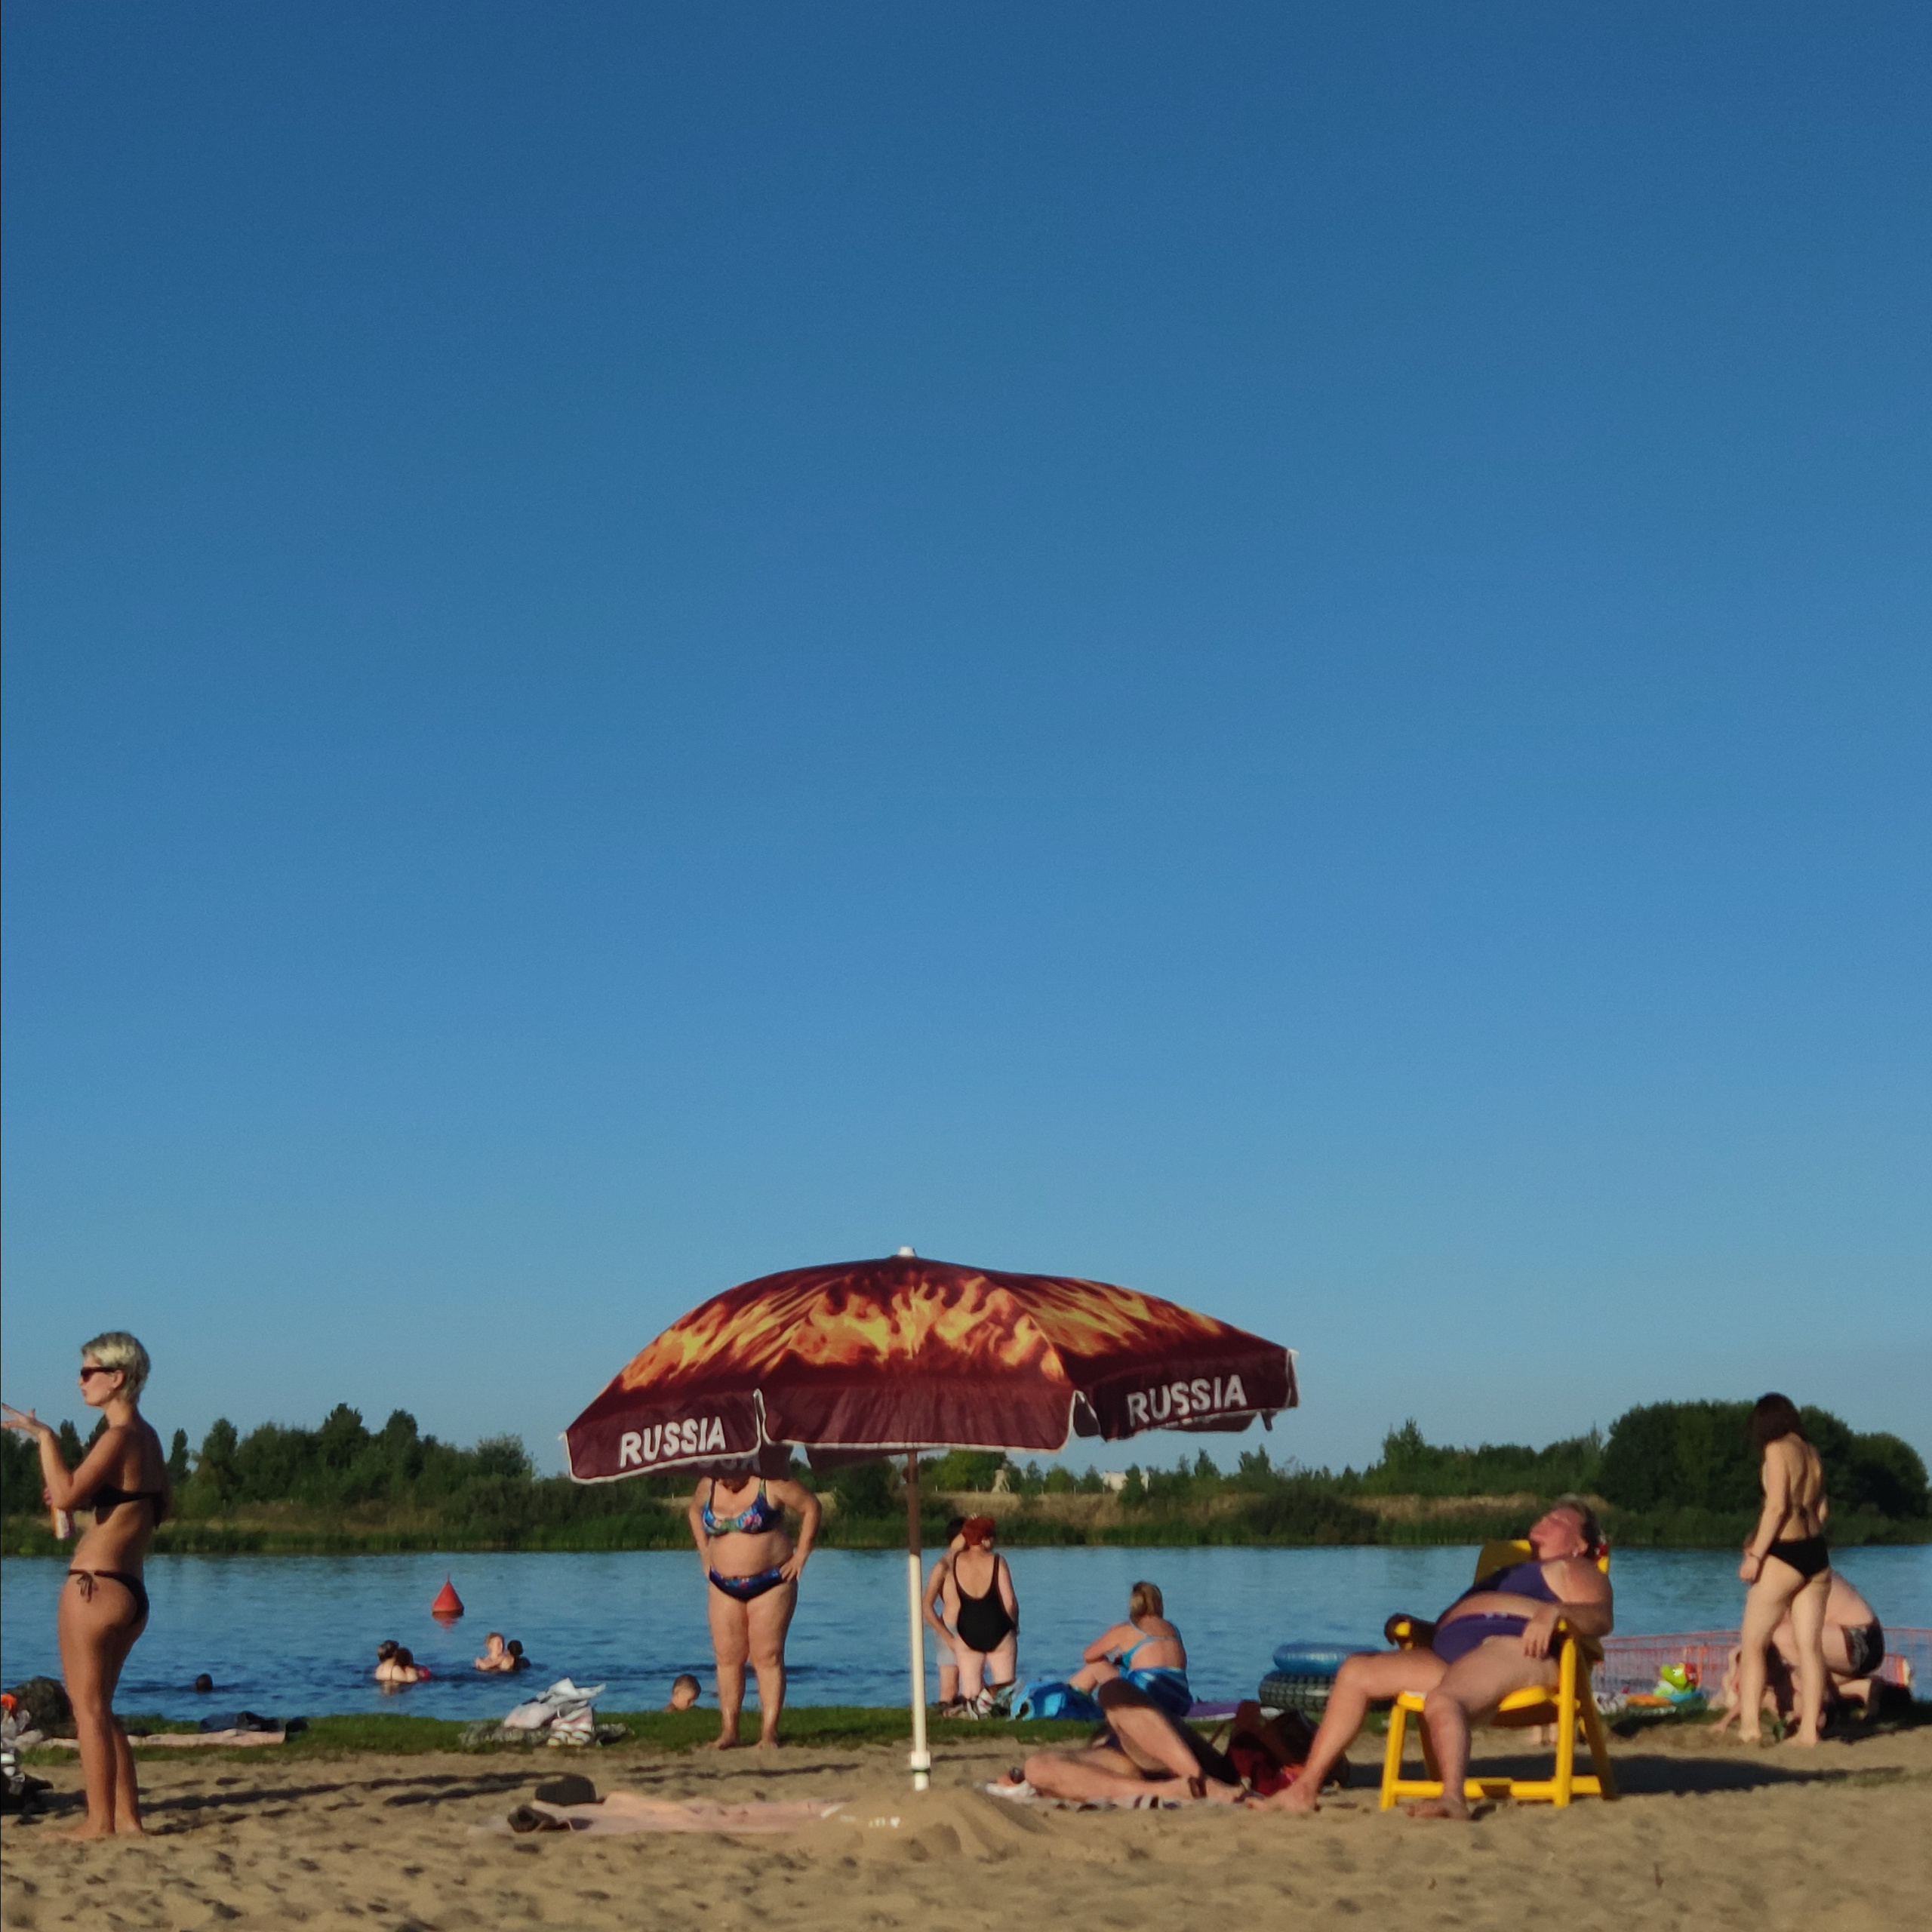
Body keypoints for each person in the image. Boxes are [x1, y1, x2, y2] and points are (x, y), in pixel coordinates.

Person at [1256, 1498, 1613, 1820]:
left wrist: (1554, 1614)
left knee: (1445, 1700)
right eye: (1546, 1514)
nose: (1545, 1519)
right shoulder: (1504, 1575)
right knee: (1356, 1672)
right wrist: (1417, 1627)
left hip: (1514, 1647)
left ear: (1580, 1545)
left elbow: (1601, 1617)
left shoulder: (1574, 1569)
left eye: (1558, 1520)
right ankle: (1304, 1789)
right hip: (1448, 1654)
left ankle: (1453, 1798)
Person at [2, 1331, 170, 1839]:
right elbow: (152, 1507)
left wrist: (45, 1439)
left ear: (116, 1378)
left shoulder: (117, 1437)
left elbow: (69, 1495)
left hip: (93, 1587)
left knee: (88, 1710)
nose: (79, 1381)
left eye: (87, 1371)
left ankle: (99, 1822)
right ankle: (128, 1820)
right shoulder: (150, 1439)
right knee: (104, 1709)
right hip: (131, 1592)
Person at [686, 1463, 820, 1749]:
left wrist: (802, 1554)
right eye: (719, 1474)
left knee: (767, 1656)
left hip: (771, 1580)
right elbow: (694, 1512)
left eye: (728, 1473)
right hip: (723, 1584)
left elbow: (810, 1507)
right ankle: (729, 1730)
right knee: (727, 1657)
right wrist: (704, 1552)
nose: (724, 1480)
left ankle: (769, 1731)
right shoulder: (708, 1485)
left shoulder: (772, 1481)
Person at [1733, 1393, 1832, 1748]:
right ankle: (1809, 1732)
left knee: (1753, 1641)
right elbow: (1821, 1510)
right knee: (1810, 1647)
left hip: (1784, 1553)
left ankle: (1749, 1726)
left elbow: (1775, 1508)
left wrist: (1756, 1556)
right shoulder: (1811, 1452)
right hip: (1816, 1553)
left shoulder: (1776, 1451)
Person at [1001, 1677, 1243, 1803]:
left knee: (1112, 1690)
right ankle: (1184, 1787)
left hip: (1168, 1751)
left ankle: (1200, 1781)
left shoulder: (1104, 1741)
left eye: (1013, 1772)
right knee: (1037, 1767)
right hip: (1147, 1767)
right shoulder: (1049, 1773)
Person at [1718, 1565, 1881, 1730]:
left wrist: (1742, 1669)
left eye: (1750, 1555)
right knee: (1797, 1674)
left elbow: (1765, 1634)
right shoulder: (1795, 1569)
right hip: (1855, 1643)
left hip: (1860, 1639)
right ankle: (1863, 1689)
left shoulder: (1788, 1576)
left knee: (1785, 1637)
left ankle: (1821, 1710)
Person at [1067, 1580, 1192, 1717]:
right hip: (1179, 1699)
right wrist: (1125, 1661)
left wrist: (1112, 1652)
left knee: (1097, 1665)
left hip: (1145, 1697)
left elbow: (1088, 1655)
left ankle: (1065, 1701)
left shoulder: (1126, 1629)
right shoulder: (1173, 1629)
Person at [942, 1516, 1018, 1715]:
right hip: (997, 1629)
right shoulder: (997, 1561)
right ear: (986, 1539)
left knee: (970, 1686)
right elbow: (1009, 1601)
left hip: (968, 1630)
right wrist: (1014, 1625)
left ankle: (972, 1713)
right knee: (1004, 1686)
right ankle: (1002, 1715)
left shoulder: (955, 1561)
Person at [921, 1516, 968, 1709]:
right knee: (949, 1686)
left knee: (973, 1683)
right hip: (950, 1628)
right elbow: (926, 1606)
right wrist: (947, 1637)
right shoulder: (944, 1566)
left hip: (972, 1628)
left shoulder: (975, 1562)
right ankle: (945, 1712)